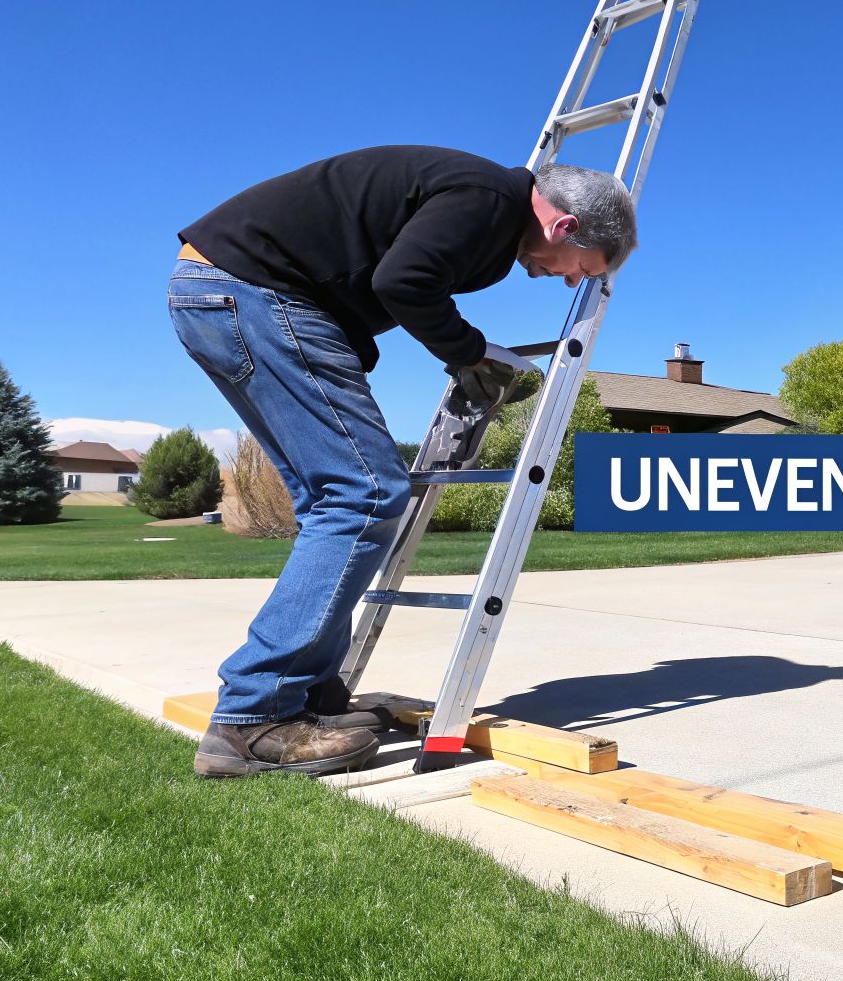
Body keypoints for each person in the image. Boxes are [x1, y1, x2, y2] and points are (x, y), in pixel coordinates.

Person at [170, 145, 636, 778]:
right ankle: (255, 716)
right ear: (566, 226)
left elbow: (377, 274)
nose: (572, 280)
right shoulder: (491, 202)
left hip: (224, 292)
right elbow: (403, 282)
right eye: (583, 267)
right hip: (255, 293)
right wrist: (471, 352)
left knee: (333, 502)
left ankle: (305, 696)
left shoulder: (483, 206)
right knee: (366, 494)